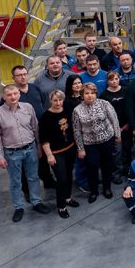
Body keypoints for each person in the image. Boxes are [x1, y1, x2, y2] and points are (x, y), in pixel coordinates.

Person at [0, 85, 50, 222]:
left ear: (19, 94)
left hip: (30, 149)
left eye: (15, 94)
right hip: (12, 153)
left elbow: (35, 128)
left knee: (33, 177)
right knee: (15, 182)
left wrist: (39, 146)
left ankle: (36, 202)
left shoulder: (28, 107)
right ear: (4, 97)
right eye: (9, 95)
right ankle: (19, 207)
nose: (13, 97)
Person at [72, 83, 120, 203]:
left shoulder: (104, 104)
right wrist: (80, 148)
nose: (90, 96)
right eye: (87, 93)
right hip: (89, 143)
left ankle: (107, 188)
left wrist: (117, 135)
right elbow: (76, 130)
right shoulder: (77, 110)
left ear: (96, 94)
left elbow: (114, 119)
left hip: (107, 139)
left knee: (107, 164)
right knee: (92, 166)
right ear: (82, 95)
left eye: (92, 93)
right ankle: (94, 191)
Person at [39, 90, 80, 218]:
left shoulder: (68, 112)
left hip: (70, 149)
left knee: (68, 176)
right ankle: (61, 206)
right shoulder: (45, 116)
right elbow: (43, 138)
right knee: (61, 179)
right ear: (50, 101)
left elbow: (73, 130)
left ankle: (67, 198)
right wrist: (49, 155)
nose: (58, 102)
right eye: (55, 100)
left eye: (60, 100)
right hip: (56, 153)